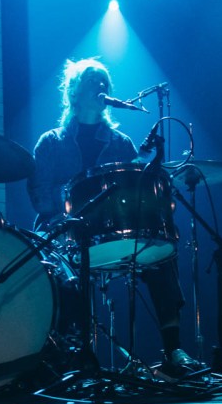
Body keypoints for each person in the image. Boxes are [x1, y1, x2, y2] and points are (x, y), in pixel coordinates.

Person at [27, 57, 201, 382]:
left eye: (104, 81)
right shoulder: (50, 143)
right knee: (58, 272)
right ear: (74, 93)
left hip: (112, 233)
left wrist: (156, 175)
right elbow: (39, 197)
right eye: (93, 81)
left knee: (159, 250)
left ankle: (173, 350)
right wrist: (69, 210)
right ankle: (70, 358)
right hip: (65, 237)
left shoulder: (122, 144)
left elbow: (138, 193)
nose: (101, 86)